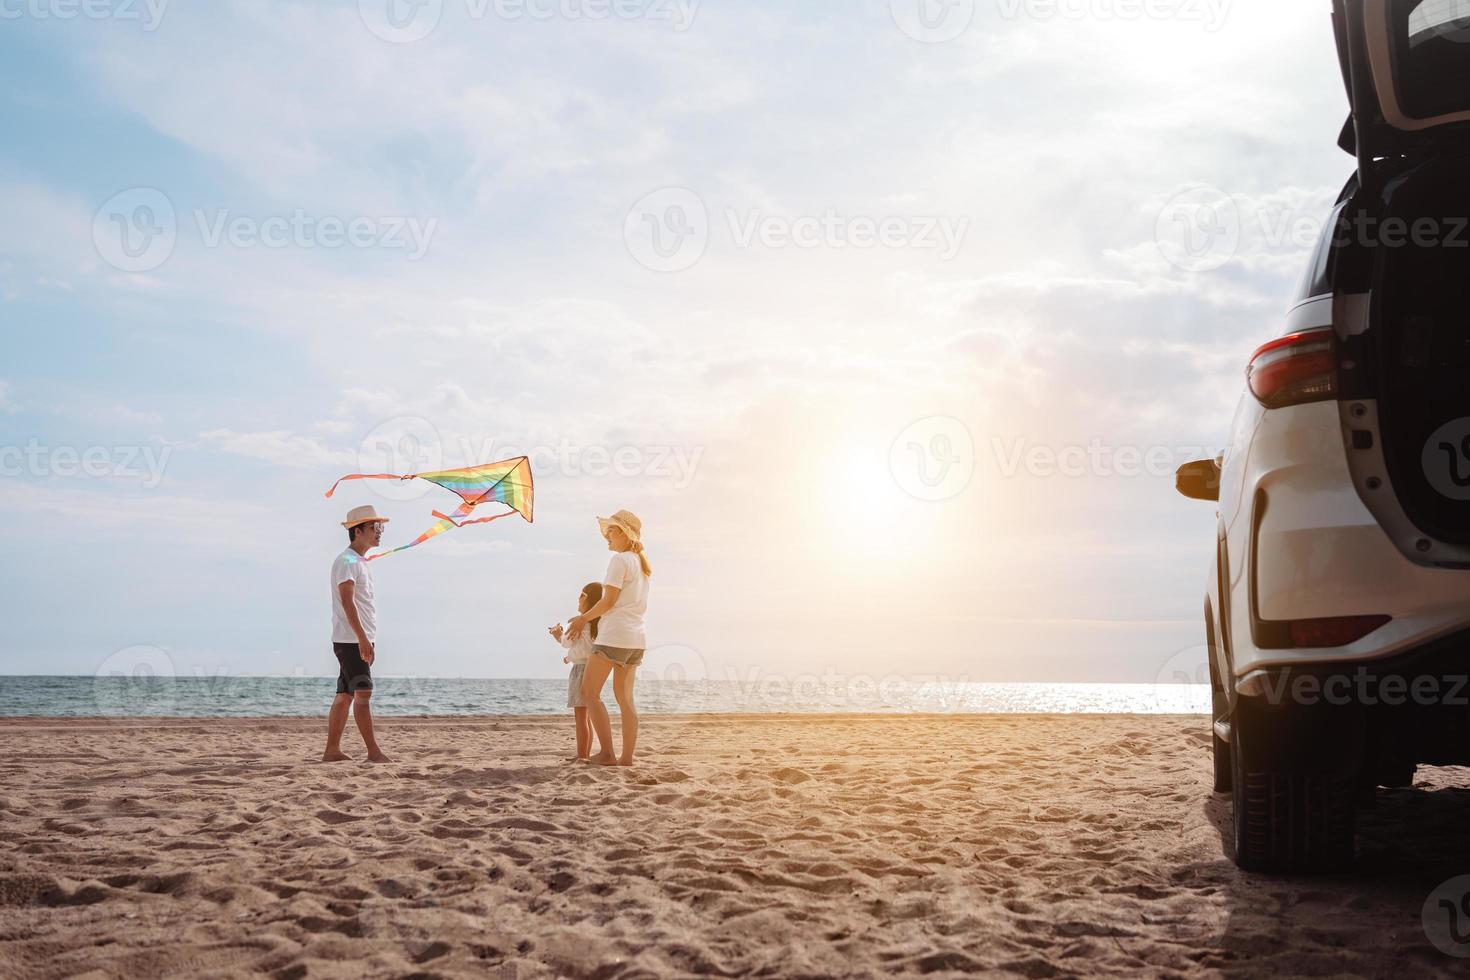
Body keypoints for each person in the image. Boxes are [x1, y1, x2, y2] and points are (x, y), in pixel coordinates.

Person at [568, 509, 650, 767]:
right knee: (626, 700)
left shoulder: (620, 561)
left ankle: (606, 753)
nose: (607, 536)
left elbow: (608, 601)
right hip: (636, 639)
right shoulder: (642, 565)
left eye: (611, 531)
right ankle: (626, 758)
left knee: (589, 693)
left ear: (625, 533)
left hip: (614, 635)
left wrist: (583, 619)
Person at [323, 505, 392, 764]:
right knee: (363, 695)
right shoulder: (347, 560)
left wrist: (366, 637)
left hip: (354, 638)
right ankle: (373, 752)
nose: (379, 532)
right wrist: (362, 638)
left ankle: (332, 751)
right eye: (375, 528)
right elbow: (347, 601)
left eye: (380, 527)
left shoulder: (359, 561)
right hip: (351, 639)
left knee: (346, 695)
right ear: (358, 531)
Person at [548, 582, 603, 761]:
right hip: (592, 669)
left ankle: (581, 756)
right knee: (587, 716)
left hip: (580, 671)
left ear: (586, 598)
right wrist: (570, 656)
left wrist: (558, 634)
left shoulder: (578, 623)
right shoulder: (597, 623)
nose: (578, 600)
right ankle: (585, 754)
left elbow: (567, 642)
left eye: (580, 596)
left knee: (580, 716)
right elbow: (585, 648)